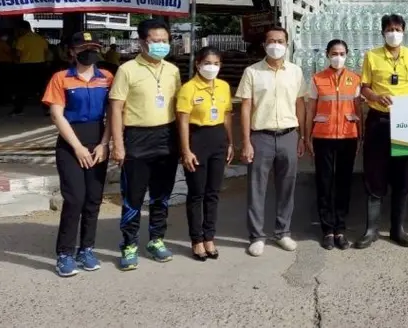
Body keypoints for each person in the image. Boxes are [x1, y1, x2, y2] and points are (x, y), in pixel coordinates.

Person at [110, 18, 182, 271]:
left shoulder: (173, 70)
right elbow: (116, 108)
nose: (161, 44)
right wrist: (118, 144)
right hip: (136, 139)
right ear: (142, 42)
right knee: (133, 196)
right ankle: (129, 245)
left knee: (162, 195)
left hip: (167, 137)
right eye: (155, 40)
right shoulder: (127, 70)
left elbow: (179, 108)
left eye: (165, 40)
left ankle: (156, 240)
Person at [41, 32, 112, 277]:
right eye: (83, 48)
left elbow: (113, 113)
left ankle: (87, 249)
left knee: (93, 199)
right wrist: (78, 147)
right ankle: (65, 253)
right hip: (70, 143)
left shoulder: (107, 77)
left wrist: (104, 143)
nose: (89, 52)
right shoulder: (61, 78)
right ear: (72, 52)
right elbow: (56, 115)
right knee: (75, 199)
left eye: (93, 48)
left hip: (99, 140)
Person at [355, 14, 408, 249]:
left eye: (397, 29)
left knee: (402, 177)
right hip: (379, 121)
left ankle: (398, 229)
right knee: (374, 174)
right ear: (382, 33)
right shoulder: (372, 56)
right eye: (389, 29)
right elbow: (364, 88)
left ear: (404, 32)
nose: (393, 33)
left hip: (405, 122)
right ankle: (371, 230)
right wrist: (376, 97)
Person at [236, 26, 306, 258]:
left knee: (287, 187)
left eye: (280, 41)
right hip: (261, 137)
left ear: (287, 44)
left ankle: (282, 231)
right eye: (271, 41)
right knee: (257, 188)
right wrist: (246, 141)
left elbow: (300, 104)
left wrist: (302, 136)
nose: (276, 45)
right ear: (264, 45)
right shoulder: (252, 72)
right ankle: (257, 236)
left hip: (288, 135)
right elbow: (245, 107)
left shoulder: (295, 72)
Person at [304, 39, 362, 250]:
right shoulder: (317, 79)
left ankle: (340, 229)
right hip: (323, 137)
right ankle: (327, 229)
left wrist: (360, 137)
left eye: (342, 53)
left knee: (344, 184)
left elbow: (357, 110)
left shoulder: (355, 79)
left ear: (347, 55)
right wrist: (307, 137)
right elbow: (311, 110)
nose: (338, 57)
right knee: (324, 183)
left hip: (348, 136)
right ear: (327, 55)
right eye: (334, 53)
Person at [177, 46, 234, 261]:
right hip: (197, 139)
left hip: (218, 139)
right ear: (198, 64)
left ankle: (209, 236)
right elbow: (183, 121)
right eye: (207, 63)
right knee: (197, 193)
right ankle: (196, 240)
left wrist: (230, 142)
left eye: (216, 64)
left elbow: (227, 115)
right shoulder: (188, 88)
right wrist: (186, 150)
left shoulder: (223, 86)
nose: (212, 67)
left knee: (213, 192)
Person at [11, 20, 50, 116]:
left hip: (25, 66)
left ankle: (18, 110)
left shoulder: (22, 39)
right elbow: (46, 53)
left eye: (19, 30)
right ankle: (47, 109)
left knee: (22, 88)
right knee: (42, 88)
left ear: (22, 29)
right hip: (40, 66)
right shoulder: (41, 39)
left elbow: (18, 54)